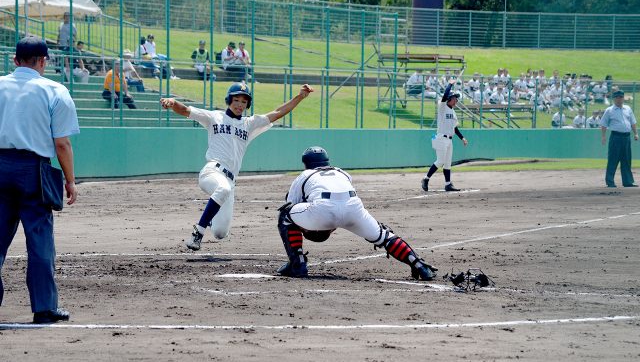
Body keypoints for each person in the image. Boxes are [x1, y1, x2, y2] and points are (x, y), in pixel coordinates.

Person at [160, 83, 314, 250]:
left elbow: (278, 113)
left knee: (220, 232)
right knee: (223, 189)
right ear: (229, 100)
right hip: (212, 171)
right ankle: (198, 233)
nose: (240, 104)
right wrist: (173, 102)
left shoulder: (249, 124)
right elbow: (185, 111)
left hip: (230, 181)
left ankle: (211, 216)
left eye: (243, 101)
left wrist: (300, 97)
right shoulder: (214, 117)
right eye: (236, 100)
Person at [0, 37, 79, 324]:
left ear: (15, 60)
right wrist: (70, 181)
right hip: (34, 170)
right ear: (44, 61)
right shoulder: (55, 90)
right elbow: (62, 145)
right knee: (39, 239)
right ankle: (44, 307)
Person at [275, 146, 438, 281]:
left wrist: (311, 224)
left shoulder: (305, 175)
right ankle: (418, 264)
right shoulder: (342, 172)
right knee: (383, 236)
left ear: (306, 163)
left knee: (285, 215)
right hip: (353, 208)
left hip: (323, 211)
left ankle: (297, 263)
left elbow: (291, 204)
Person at [421, 79, 468, 192]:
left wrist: (462, 138)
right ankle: (426, 179)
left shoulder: (453, 112)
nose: (456, 100)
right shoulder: (442, 107)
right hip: (441, 138)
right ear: (450, 99)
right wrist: (450, 84)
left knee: (447, 163)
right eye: (455, 98)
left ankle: (448, 184)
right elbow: (445, 95)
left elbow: (454, 128)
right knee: (440, 161)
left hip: (449, 139)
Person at [600, 90, 638, 188]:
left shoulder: (628, 109)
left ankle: (628, 182)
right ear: (613, 99)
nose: (619, 99)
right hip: (615, 137)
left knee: (626, 160)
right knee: (613, 159)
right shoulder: (609, 110)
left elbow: (632, 122)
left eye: (620, 97)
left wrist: (635, 133)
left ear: (623, 98)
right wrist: (603, 136)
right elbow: (604, 124)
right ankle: (610, 182)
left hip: (626, 137)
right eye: (617, 97)